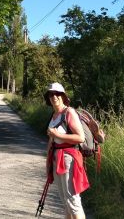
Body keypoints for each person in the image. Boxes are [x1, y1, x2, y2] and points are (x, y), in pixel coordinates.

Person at [44, 82, 90, 219]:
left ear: (63, 96)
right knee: (66, 202)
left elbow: (80, 137)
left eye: (57, 94)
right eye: (51, 94)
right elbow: (51, 142)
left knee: (73, 201)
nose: (54, 97)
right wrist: (48, 163)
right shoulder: (53, 116)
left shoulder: (69, 112)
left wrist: (57, 135)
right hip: (57, 158)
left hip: (69, 158)